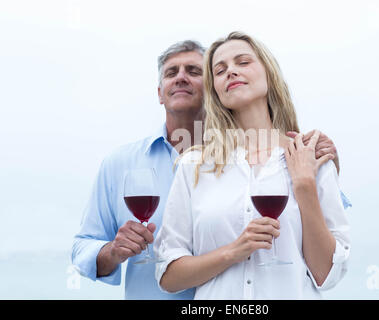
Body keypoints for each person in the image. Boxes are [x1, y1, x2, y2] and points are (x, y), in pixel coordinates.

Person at [72, 39, 348, 300]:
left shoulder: (306, 155)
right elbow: (96, 248)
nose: (181, 77)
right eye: (220, 69)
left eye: (194, 71)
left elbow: (327, 264)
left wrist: (310, 180)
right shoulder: (184, 165)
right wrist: (112, 252)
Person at [154, 32, 350, 299]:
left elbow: (327, 275)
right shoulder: (193, 166)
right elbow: (168, 275)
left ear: (268, 73)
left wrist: (304, 185)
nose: (231, 72)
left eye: (243, 62)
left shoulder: (311, 156)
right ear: (216, 91)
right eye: (220, 71)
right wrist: (234, 251)